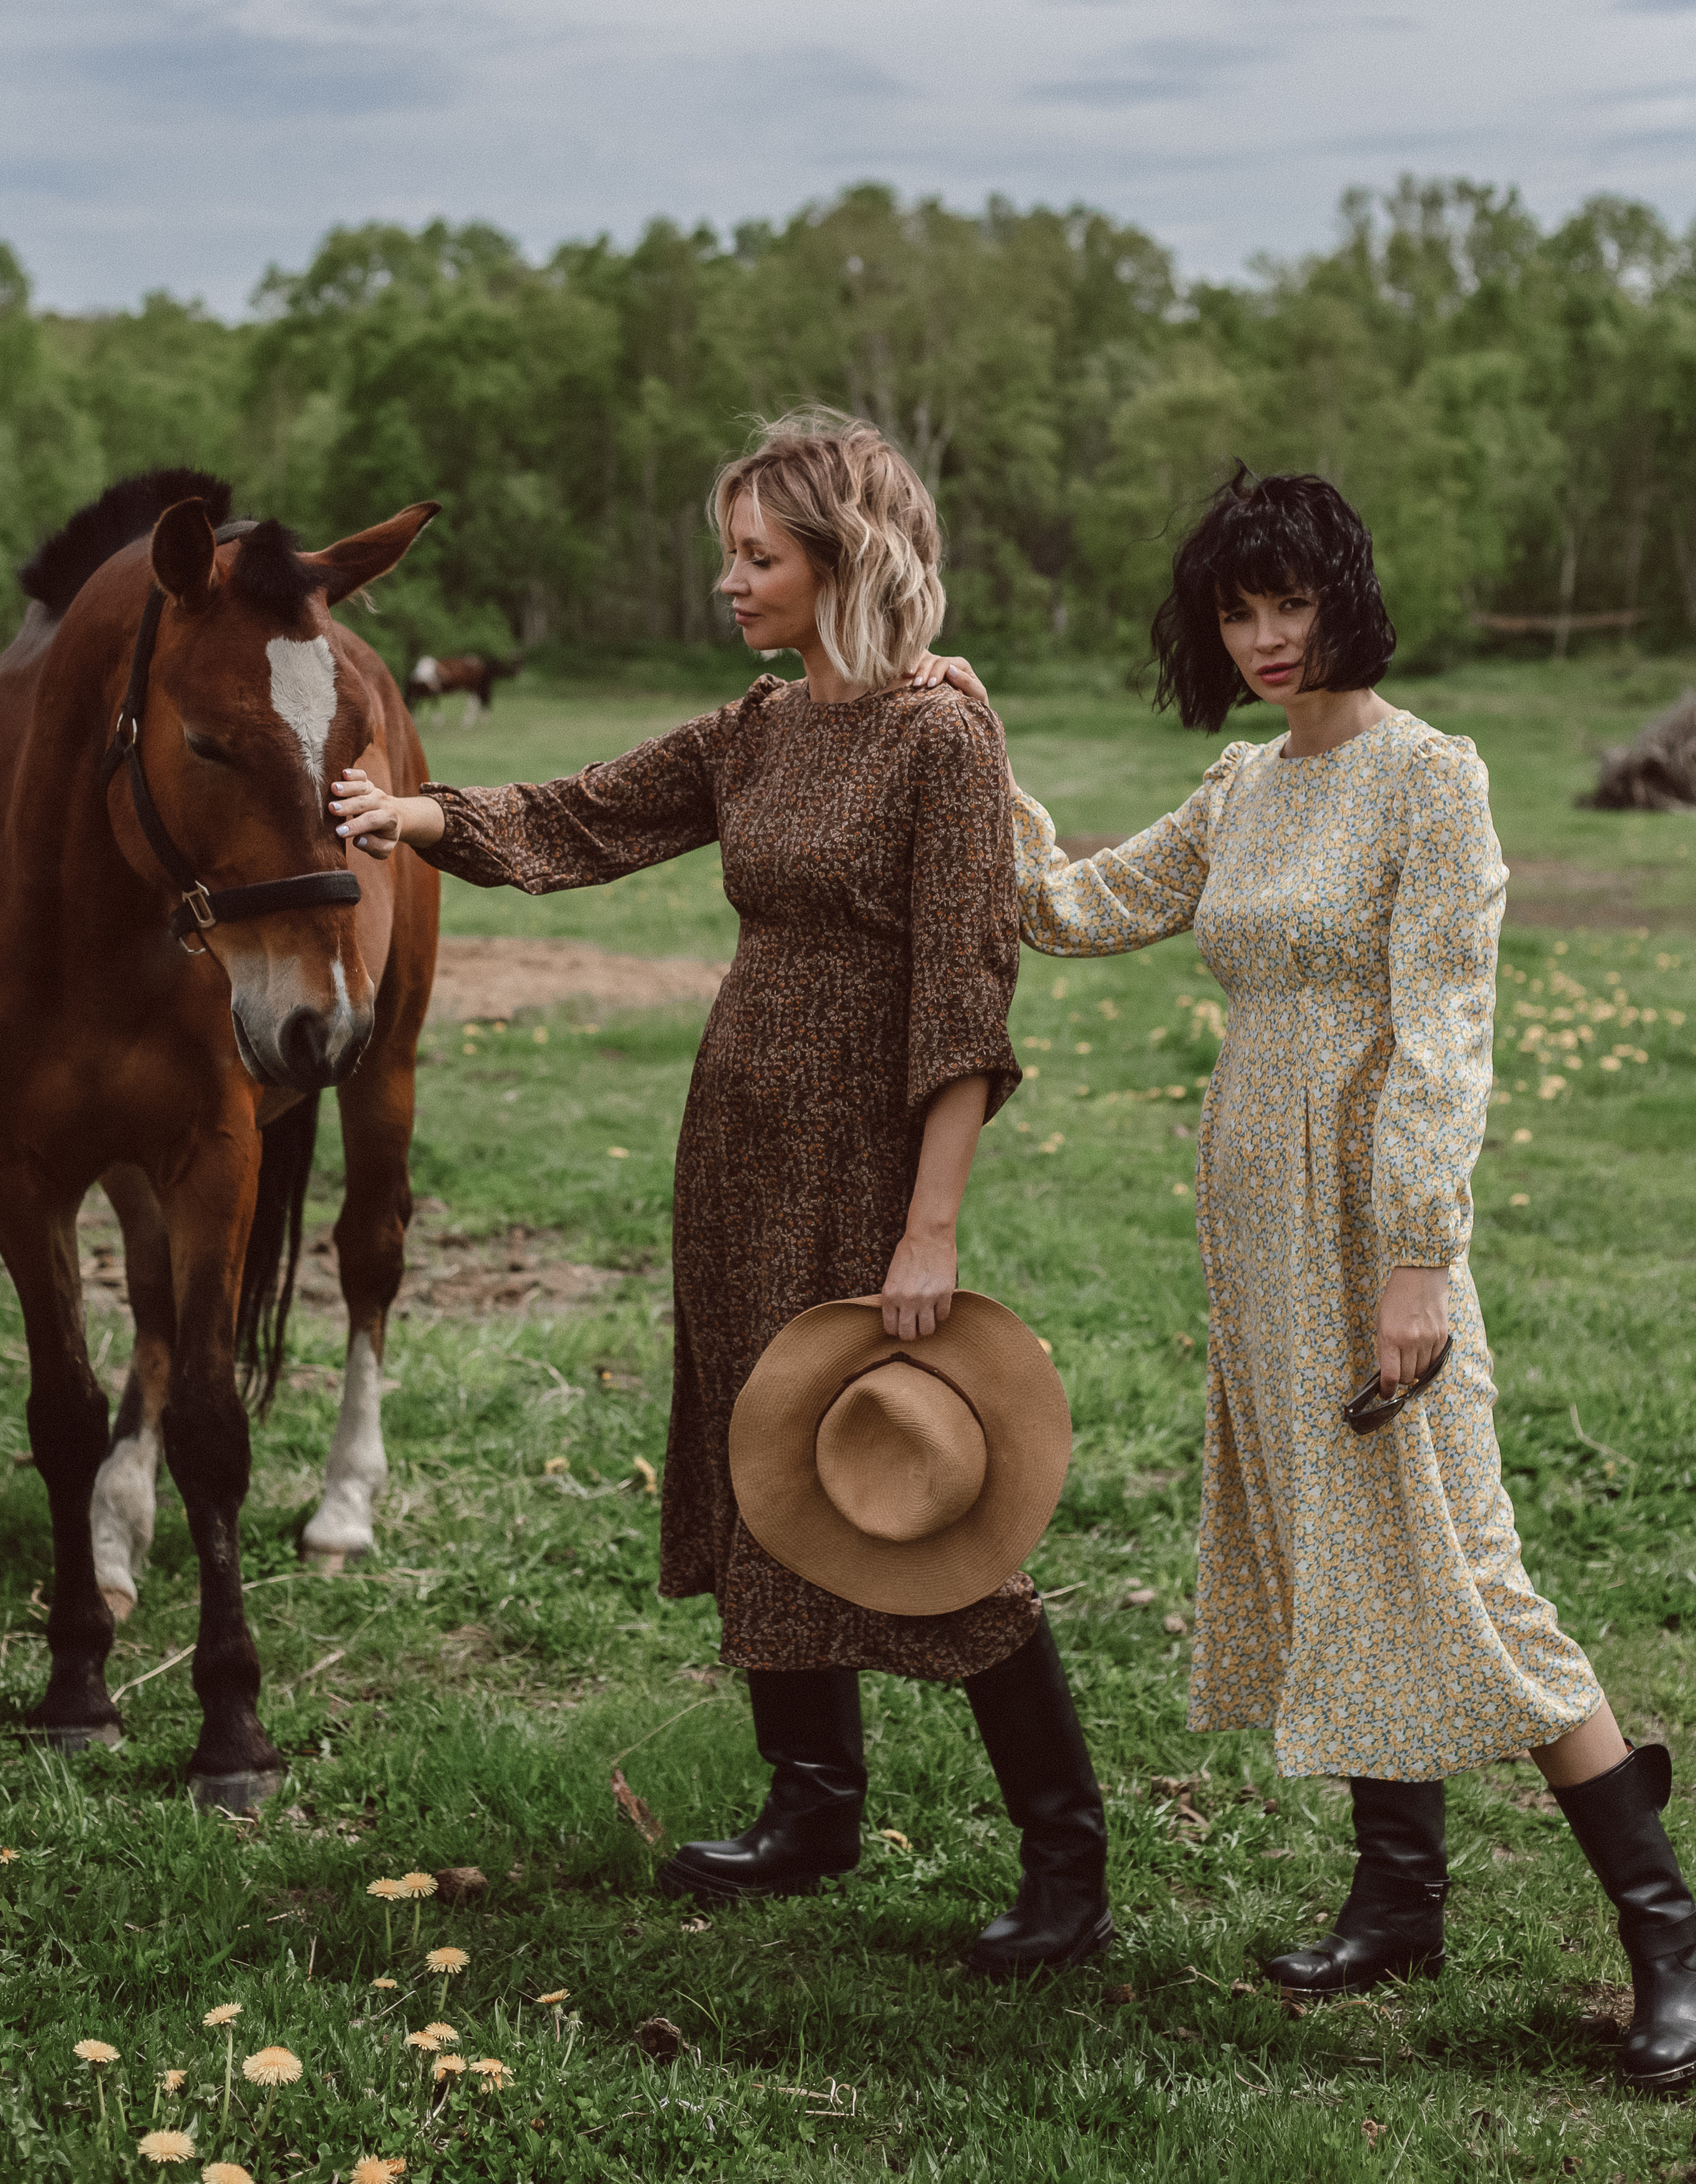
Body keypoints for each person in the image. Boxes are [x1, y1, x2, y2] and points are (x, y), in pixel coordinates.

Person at [918, 468, 1696, 2089]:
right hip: (1253, 1236)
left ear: (1346, 599)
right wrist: (978, 755)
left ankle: (1666, 1934)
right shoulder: (1241, 787)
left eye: (1292, 604)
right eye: (1238, 610)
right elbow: (1068, 907)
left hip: (1371, 1225)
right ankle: (1396, 1897)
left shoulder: (1430, 781)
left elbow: (1445, 1029)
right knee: (1337, 1548)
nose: (1268, 638)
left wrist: (1417, 1260)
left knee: (1465, 1564)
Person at [327, 413, 1113, 1977]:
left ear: (845, 556)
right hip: (732, 1146)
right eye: (731, 551)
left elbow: (965, 998)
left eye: (759, 554)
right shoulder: (759, 729)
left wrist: (929, 1226)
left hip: (861, 1160)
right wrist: (415, 815)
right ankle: (811, 1800)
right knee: (764, 1457)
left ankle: (1066, 1864)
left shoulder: (939, 742)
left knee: (913, 1490)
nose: (728, 580)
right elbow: (587, 813)